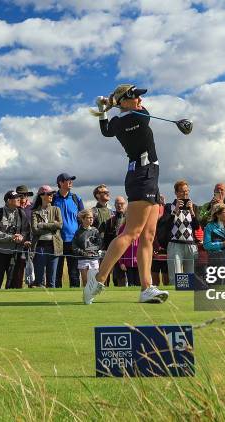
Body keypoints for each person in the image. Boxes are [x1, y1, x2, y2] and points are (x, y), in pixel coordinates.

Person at [85, 83, 169, 304]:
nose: (140, 101)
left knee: (148, 236)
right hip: (142, 175)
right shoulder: (135, 118)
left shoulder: (117, 120)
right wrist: (109, 107)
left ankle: (146, 287)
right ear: (123, 101)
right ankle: (98, 280)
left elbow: (105, 131)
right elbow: (145, 115)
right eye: (136, 97)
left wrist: (103, 110)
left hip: (148, 175)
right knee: (131, 233)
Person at [0, 190, 31, 289]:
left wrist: (21, 237)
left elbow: (26, 230)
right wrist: (11, 237)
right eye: (16, 198)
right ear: (8, 200)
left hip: (15, 254)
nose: (19, 199)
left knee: (14, 284)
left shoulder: (21, 213)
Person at [161, 180, 200, 285]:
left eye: (187, 191)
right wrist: (175, 211)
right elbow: (166, 225)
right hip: (175, 244)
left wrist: (192, 211)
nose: (185, 194)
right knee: (176, 277)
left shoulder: (194, 207)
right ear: (176, 193)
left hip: (190, 244)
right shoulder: (169, 207)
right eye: (182, 191)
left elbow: (197, 226)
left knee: (190, 278)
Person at [53, 173, 84, 288]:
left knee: (74, 272)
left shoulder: (76, 198)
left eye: (71, 180)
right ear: (60, 183)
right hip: (57, 241)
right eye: (68, 180)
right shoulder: (53, 198)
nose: (71, 182)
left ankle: (75, 296)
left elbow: (82, 219)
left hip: (73, 241)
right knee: (57, 272)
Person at [31, 185, 63, 288]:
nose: (51, 196)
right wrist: (52, 225)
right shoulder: (35, 212)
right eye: (49, 194)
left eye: (52, 194)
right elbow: (35, 230)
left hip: (54, 247)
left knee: (52, 281)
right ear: (41, 196)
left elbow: (59, 225)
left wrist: (43, 225)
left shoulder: (56, 209)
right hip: (40, 247)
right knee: (39, 280)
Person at [73, 210, 103, 287]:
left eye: (92, 217)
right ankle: (86, 297)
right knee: (85, 281)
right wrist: (83, 253)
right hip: (83, 259)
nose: (91, 219)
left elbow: (99, 243)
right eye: (88, 217)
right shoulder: (78, 232)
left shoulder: (95, 231)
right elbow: (74, 246)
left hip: (94, 259)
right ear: (83, 219)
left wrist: (93, 251)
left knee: (94, 280)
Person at [104, 196, 128, 286]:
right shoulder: (110, 221)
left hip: (129, 253)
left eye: (121, 203)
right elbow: (106, 239)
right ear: (114, 205)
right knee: (117, 278)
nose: (119, 205)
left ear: (125, 204)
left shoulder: (131, 219)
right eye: (117, 203)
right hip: (115, 252)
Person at [13, 185, 34, 287]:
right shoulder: (13, 208)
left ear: (27, 196)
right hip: (17, 244)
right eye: (19, 196)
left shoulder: (33, 207)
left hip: (32, 243)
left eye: (24, 196)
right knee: (18, 272)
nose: (22, 198)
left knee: (32, 271)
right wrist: (22, 241)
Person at [151, 194, 169, 286]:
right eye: (159, 199)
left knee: (166, 278)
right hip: (154, 248)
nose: (161, 200)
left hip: (167, 249)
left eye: (162, 198)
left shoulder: (168, 212)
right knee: (154, 277)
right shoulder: (151, 211)